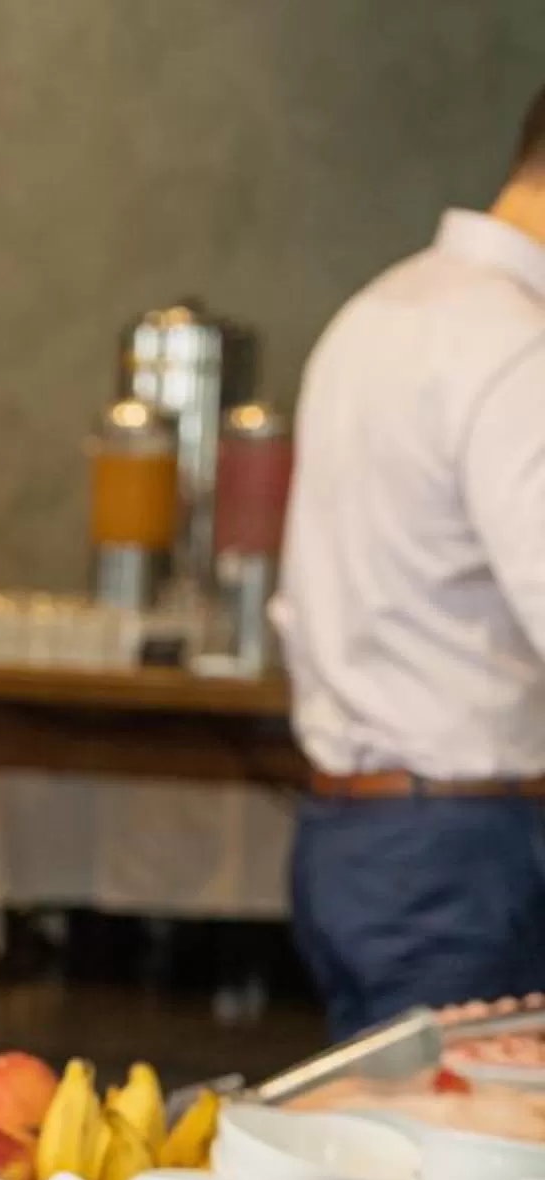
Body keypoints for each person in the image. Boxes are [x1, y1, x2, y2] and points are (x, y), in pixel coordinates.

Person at [278, 88, 545, 1036]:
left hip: (363, 834)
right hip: (463, 850)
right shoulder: (515, 341)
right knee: (461, 1130)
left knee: (392, 1118)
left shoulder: (382, 308)